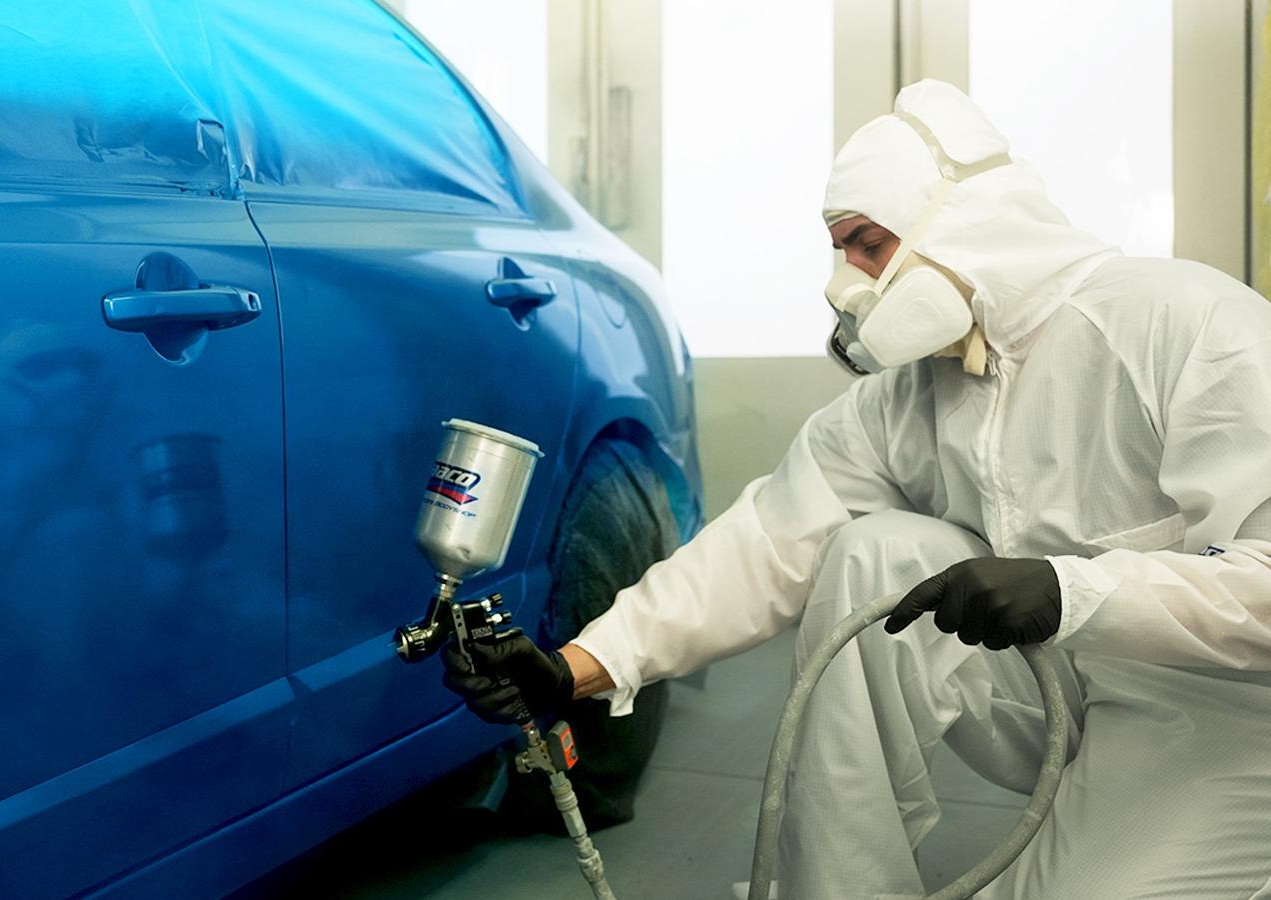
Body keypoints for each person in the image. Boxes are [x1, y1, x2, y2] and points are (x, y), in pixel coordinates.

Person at [442, 80, 1271, 899]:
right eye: (842, 252)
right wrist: (578, 668)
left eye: (868, 245)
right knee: (876, 553)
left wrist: (1072, 589)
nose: (848, 282)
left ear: (958, 222)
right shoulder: (913, 393)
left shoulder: (1184, 324)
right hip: (1067, 691)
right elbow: (769, 539)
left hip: (1223, 718)